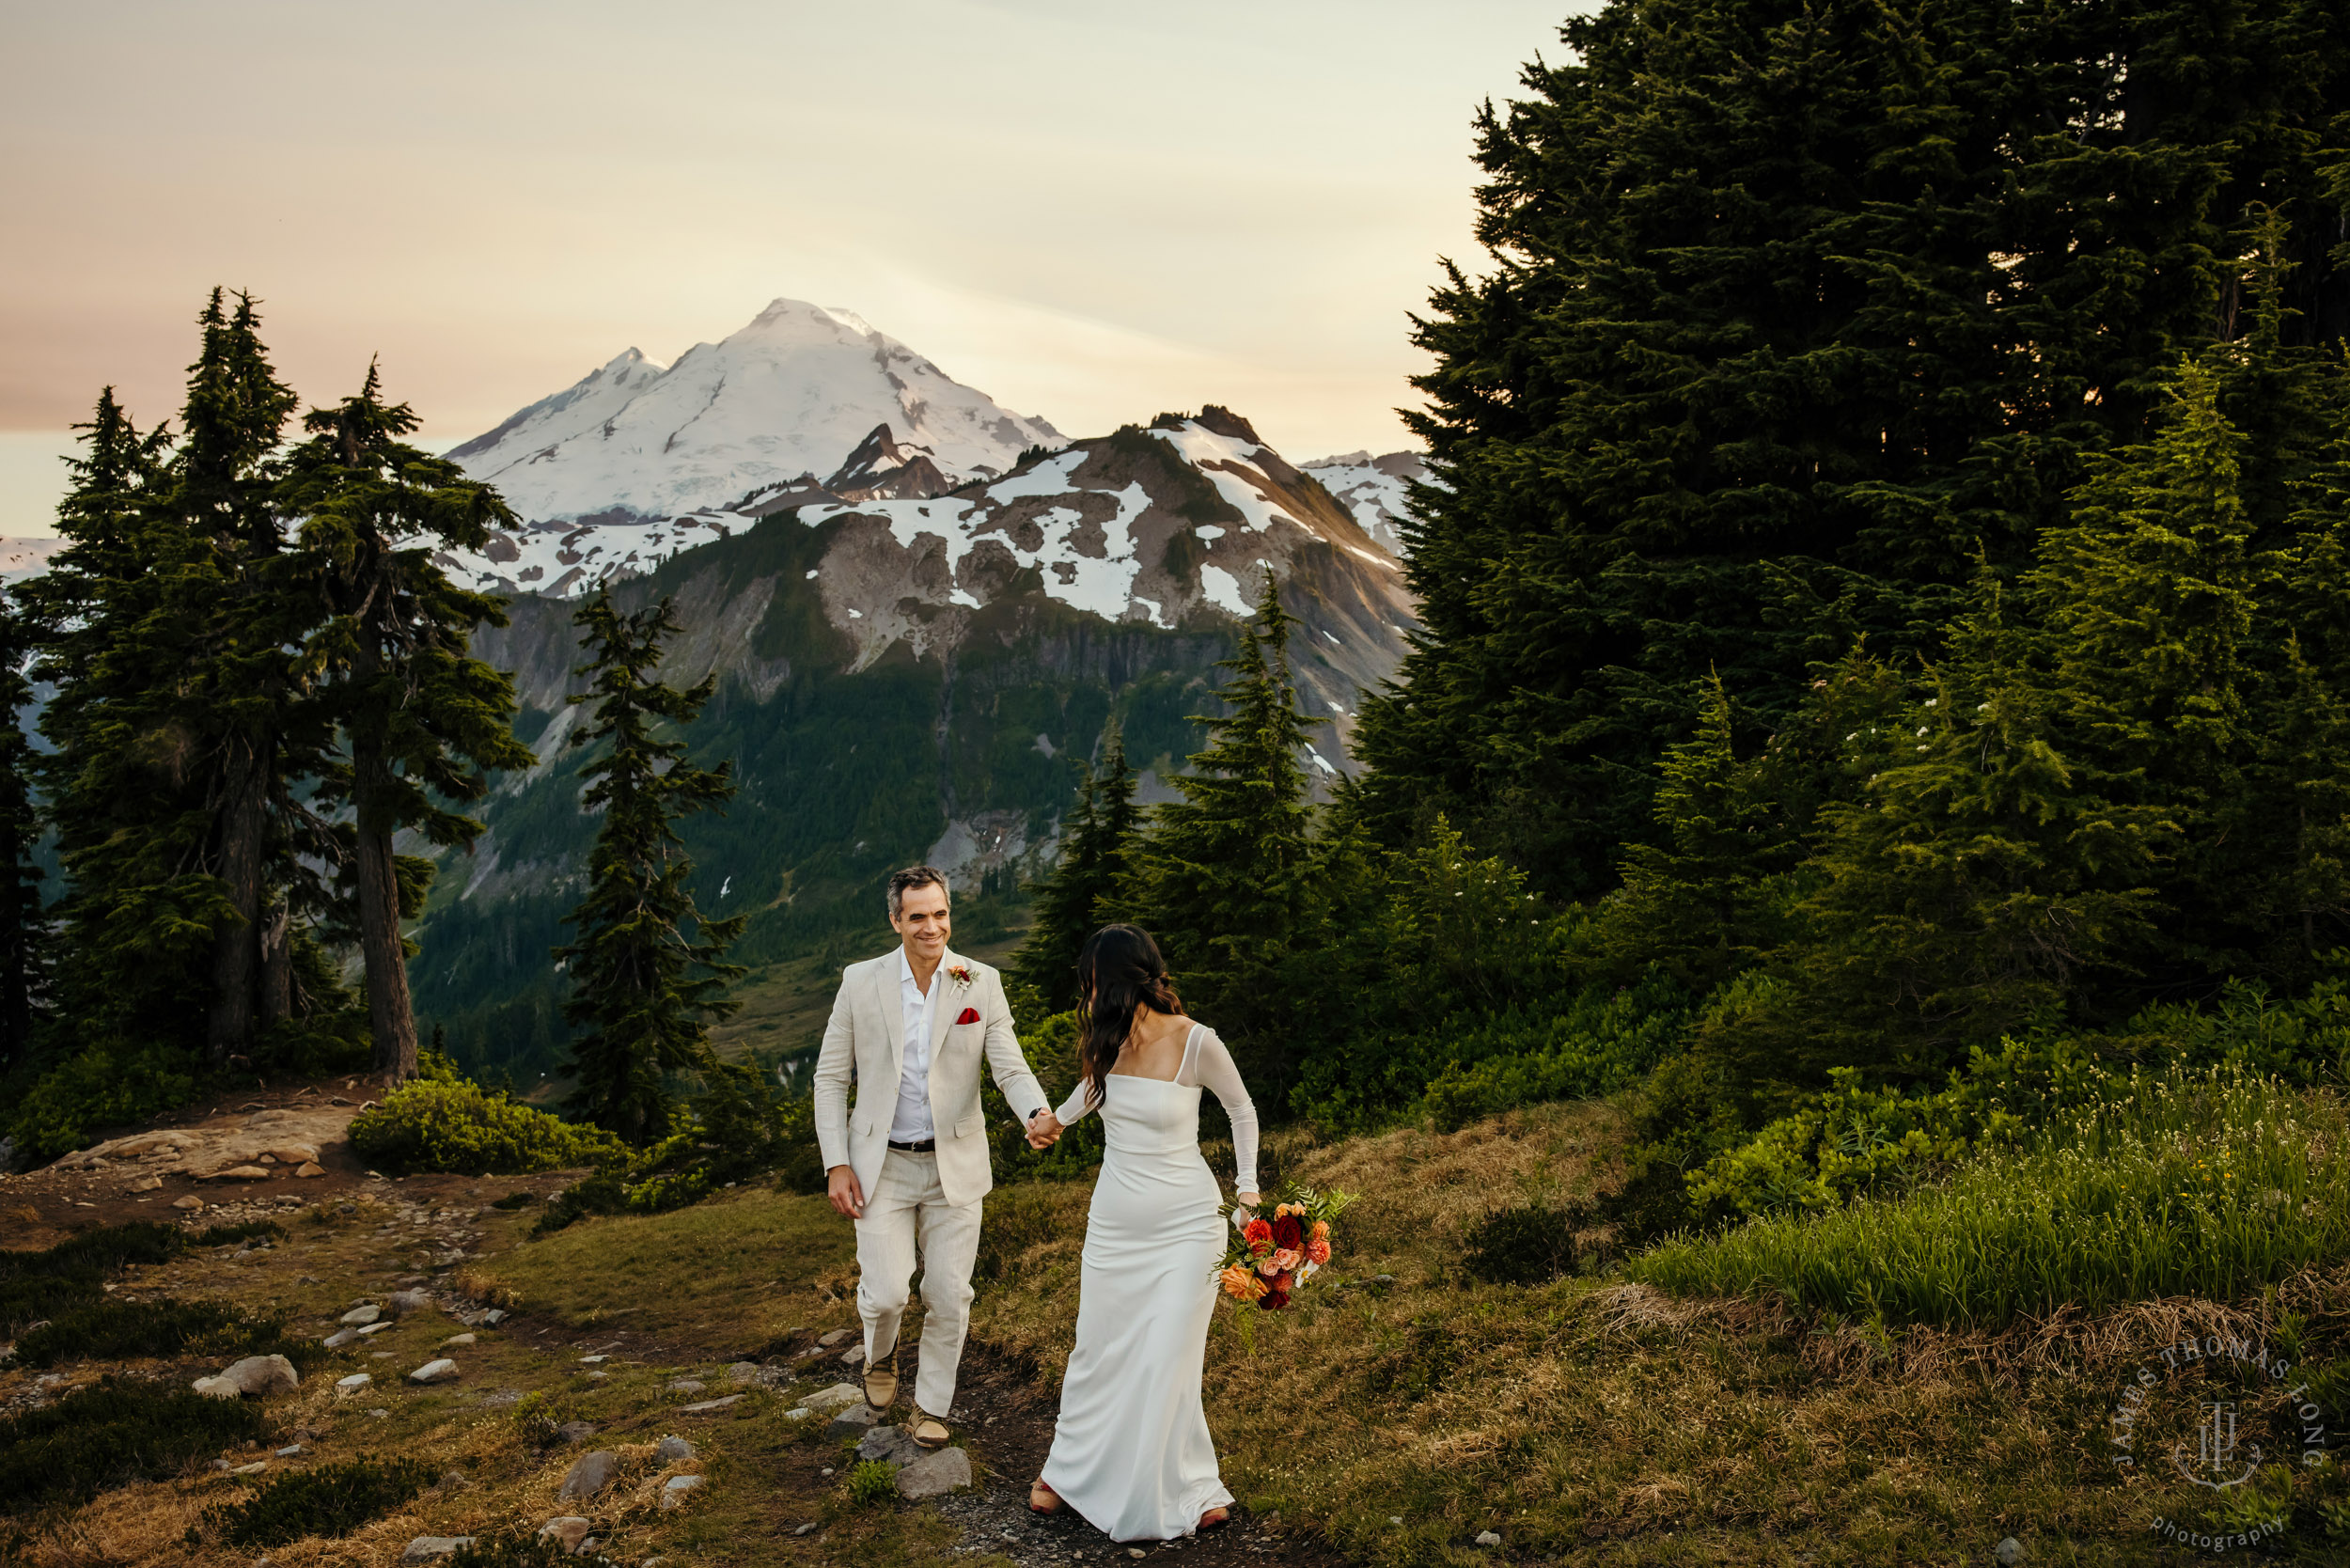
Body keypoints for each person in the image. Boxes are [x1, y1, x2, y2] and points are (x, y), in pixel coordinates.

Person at [1021, 922, 1261, 1540]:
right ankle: (1065, 1473)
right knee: (1097, 1351)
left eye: (1096, 983)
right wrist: (1052, 1123)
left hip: (1188, 1225)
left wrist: (1248, 1189)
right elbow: (1086, 1098)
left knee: (1169, 1358)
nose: (1091, 995)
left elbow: (1240, 1109)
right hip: (1115, 1228)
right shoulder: (1109, 1044)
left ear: (1123, 979)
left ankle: (1188, 1486)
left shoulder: (1196, 1042)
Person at [811, 864, 1056, 1450]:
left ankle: (930, 1407)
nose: (931, 927)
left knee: (950, 1294)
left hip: (955, 1166)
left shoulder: (981, 982)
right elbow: (828, 1078)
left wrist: (1035, 1114)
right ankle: (881, 1351)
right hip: (881, 1165)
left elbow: (1011, 1066)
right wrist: (835, 1162)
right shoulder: (860, 982)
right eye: (917, 916)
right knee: (890, 1291)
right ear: (895, 920)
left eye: (940, 914)